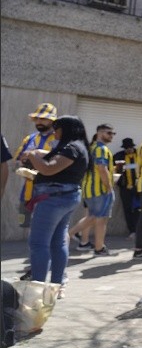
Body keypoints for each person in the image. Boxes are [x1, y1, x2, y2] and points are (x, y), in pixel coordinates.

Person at [19, 115, 91, 296]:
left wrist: (34, 155)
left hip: (53, 199)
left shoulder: (73, 148)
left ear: (66, 129)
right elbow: (52, 159)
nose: (53, 131)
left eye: (56, 127)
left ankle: (38, 289)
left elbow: (49, 168)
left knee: (38, 243)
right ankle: (55, 287)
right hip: (64, 198)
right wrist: (37, 155)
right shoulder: (75, 147)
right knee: (57, 241)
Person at [69, 124, 117, 256]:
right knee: (97, 218)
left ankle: (99, 247)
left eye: (113, 134)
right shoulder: (101, 149)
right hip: (99, 190)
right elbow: (102, 168)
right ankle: (68, 236)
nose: (111, 136)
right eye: (109, 133)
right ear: (100, 133)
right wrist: (108, 187)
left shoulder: (91, 147)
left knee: (96, 218)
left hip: (90, 189)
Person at [13, 103, 59, 228]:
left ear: (52, 120)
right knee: (28, 226)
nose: (39, 121)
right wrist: (22, 163)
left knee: (51, 227)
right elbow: (16, 163)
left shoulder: (59, 138)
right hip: (28, 191)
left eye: (43, 118)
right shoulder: (30, 138)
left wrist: (40, 155)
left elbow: (66, 159)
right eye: (37, 118)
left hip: (52, 191)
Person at [114, 137, 139, 238]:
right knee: (127, 209)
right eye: (126, 148)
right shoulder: (118, 156)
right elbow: (113, 171)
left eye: (130, 147)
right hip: (125, 188)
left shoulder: (139, 155)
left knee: (139, 209)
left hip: (139, 187)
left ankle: (139, 230)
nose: (129, 150)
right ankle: (132, 231)